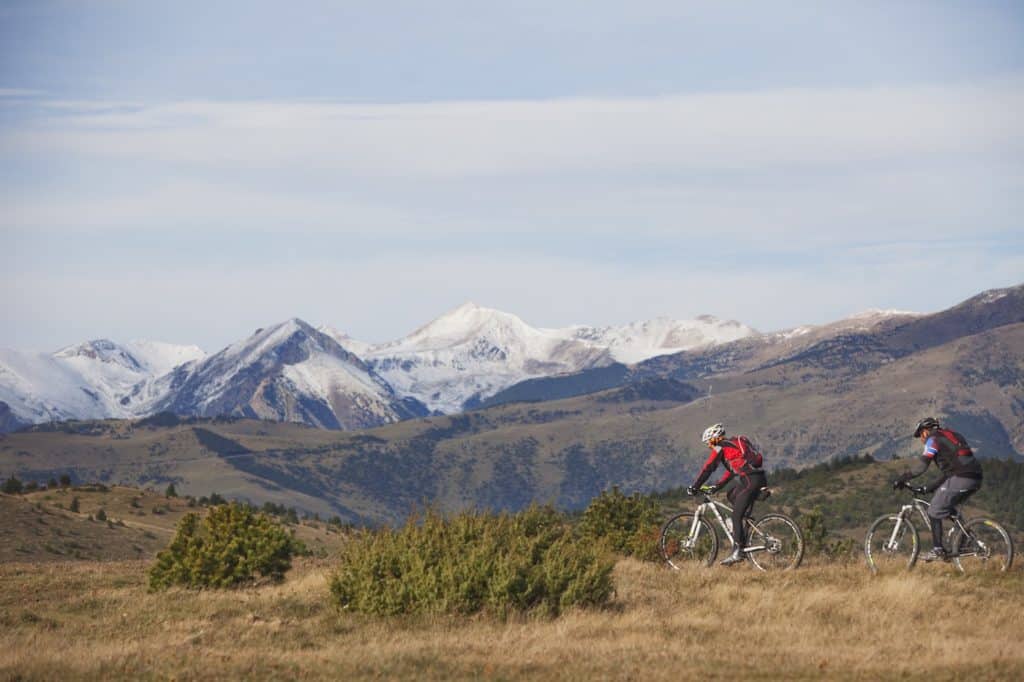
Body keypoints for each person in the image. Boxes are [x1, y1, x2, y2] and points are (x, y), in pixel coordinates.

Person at [893, 417, 983, 562]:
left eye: (920, 435)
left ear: (925, 431)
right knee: (947, 507)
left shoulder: (933, 439)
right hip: (975, 477)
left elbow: (922, 466)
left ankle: (937, 550)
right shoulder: (952, 435)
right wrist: (928, 488)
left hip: (961, 477)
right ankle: (965, 538)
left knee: (934, 510)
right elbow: (948, 473)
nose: (921, 440)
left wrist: (903, 478)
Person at [687, 423, 767, 566]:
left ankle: (738, 551)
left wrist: (695, 486)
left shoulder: (721, 446)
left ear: (715, 439)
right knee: (731, 494)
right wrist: (716, 487)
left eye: (709, 443)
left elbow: (708, 468)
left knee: (735, 516)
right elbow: (731, 471)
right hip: (756, 478)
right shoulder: (732, 447)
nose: (709, 447)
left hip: (749, 480)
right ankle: (743, 532)